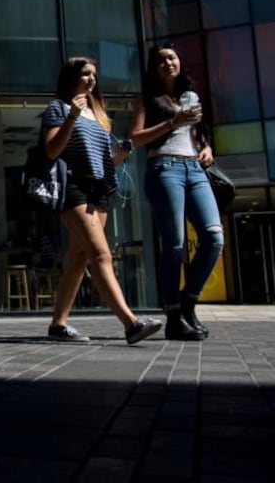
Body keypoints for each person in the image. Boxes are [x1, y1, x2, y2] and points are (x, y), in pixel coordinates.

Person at [41, 57, 162, 344]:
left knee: (79, 258)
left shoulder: (98, 114)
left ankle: (58, 325)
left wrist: (120, 156)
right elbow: (51, 151)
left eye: (94, 74)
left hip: (99, 190)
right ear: (72, 77)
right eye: (85, 74)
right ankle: (131, 323)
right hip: (73, 187)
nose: (92, 79)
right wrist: (71, 116)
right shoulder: (57, 108)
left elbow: (104, 162)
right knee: (101, 254)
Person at [130, 42, 223, 341]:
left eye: (172, 57)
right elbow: (136, 138)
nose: (168, 63)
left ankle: (188, 302)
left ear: (179, 61)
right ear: (153, 68)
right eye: (161, 60)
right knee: (174, 245)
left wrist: (207, 147)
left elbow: (197, 133)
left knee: (213, 237)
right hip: (164, 168)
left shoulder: (191, 96)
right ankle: (173, 315)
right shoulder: (147, 98)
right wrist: (173, 121)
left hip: (195, 169)